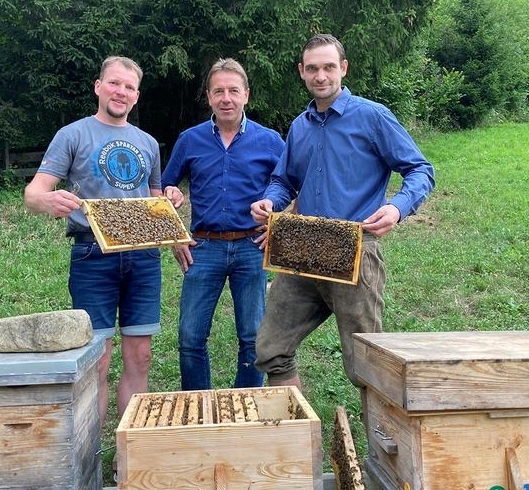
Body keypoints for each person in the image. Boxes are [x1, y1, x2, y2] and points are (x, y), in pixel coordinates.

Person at [250, 34, 435, 412]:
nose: (321, 76)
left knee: (367, 365)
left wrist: (398, 208)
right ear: (302, 72)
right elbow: (284, 180)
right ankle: (295, 436)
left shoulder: (372, 116)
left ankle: (383, 444)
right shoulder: (300, 126)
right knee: (271, 350)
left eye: (328, 67)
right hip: (302, 250)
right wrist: (271, 200)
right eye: (313, 68)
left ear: (343, 68)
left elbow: (420, 170)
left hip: (355, 250)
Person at [23, 56, 183, 427]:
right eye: (114, 83)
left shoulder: (147, 143)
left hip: (143, 256)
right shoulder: (72, 135)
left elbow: (154, 199)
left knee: (140, 356)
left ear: (136, 95)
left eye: (129, 87)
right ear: (98, 86)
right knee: (97, 359)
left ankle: (129, 448)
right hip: (93, 254)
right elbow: (33, 193)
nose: (120, 92)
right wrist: (47, 200)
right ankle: (89, 452)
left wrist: (170, 199)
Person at [162, 58, 285, 390]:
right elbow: (163, 188)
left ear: (246, 94)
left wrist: (278, 227)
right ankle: (197, 405)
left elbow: (291, 185)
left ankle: (244, 405)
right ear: (209, 96)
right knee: (190, 336)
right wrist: (174, 233)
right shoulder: (190, 140)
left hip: (251, 246)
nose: (226, 98)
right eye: (219, 91)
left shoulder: (270, 140)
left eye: (233, 90)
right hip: (203, 247)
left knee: (252, 336)